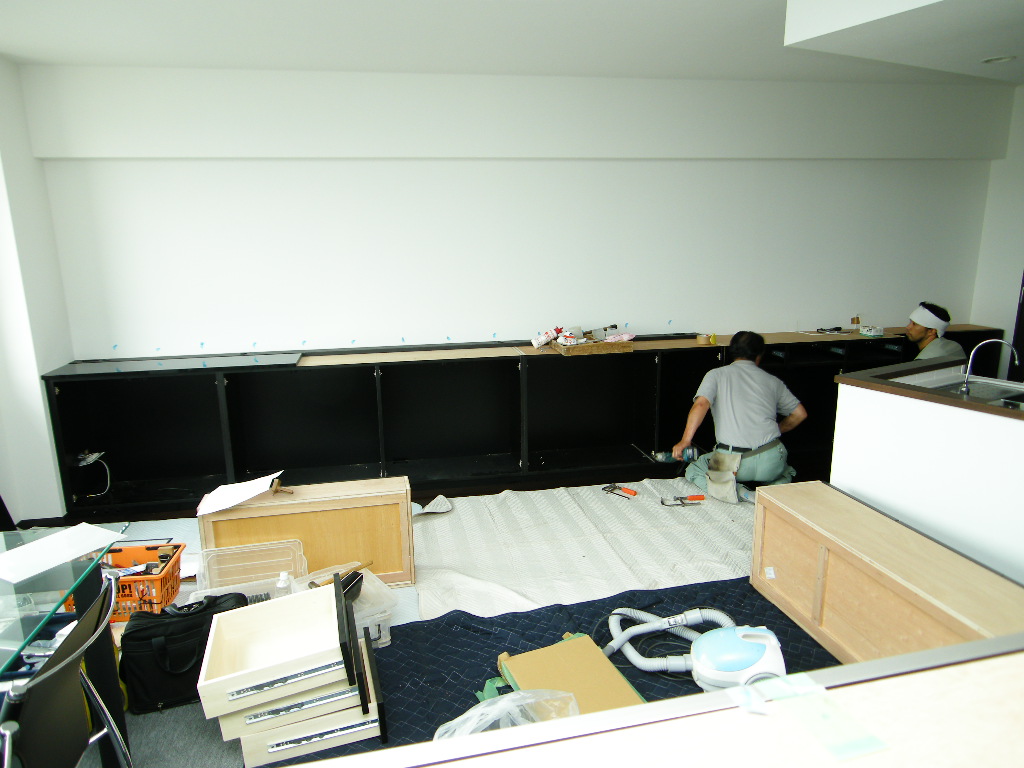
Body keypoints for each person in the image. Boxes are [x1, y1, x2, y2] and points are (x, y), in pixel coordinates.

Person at [671, 331, 807, 503]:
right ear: (759, 355)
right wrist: (778, 430)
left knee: (695, 468)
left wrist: (685, 441)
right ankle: (774, 490)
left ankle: (740, 492)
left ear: (732, 351)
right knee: (786, 471)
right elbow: (800, 414)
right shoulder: (773, 381)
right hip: (772, 459)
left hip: (734, 462)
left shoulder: (716, 375)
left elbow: (701, 405)